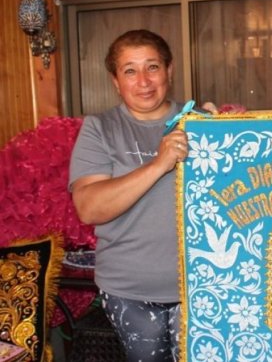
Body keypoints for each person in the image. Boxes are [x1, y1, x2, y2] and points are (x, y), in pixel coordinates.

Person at [69, 29, 212, 361]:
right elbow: (89, 208)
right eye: (130, 71)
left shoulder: (200, 122)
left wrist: (225, 132)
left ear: (169, 70)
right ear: (115, 81)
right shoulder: (100, 128)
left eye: (153, 67)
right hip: (129, 291)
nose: (144, 81)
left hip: (201, 286)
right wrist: (159, 164)